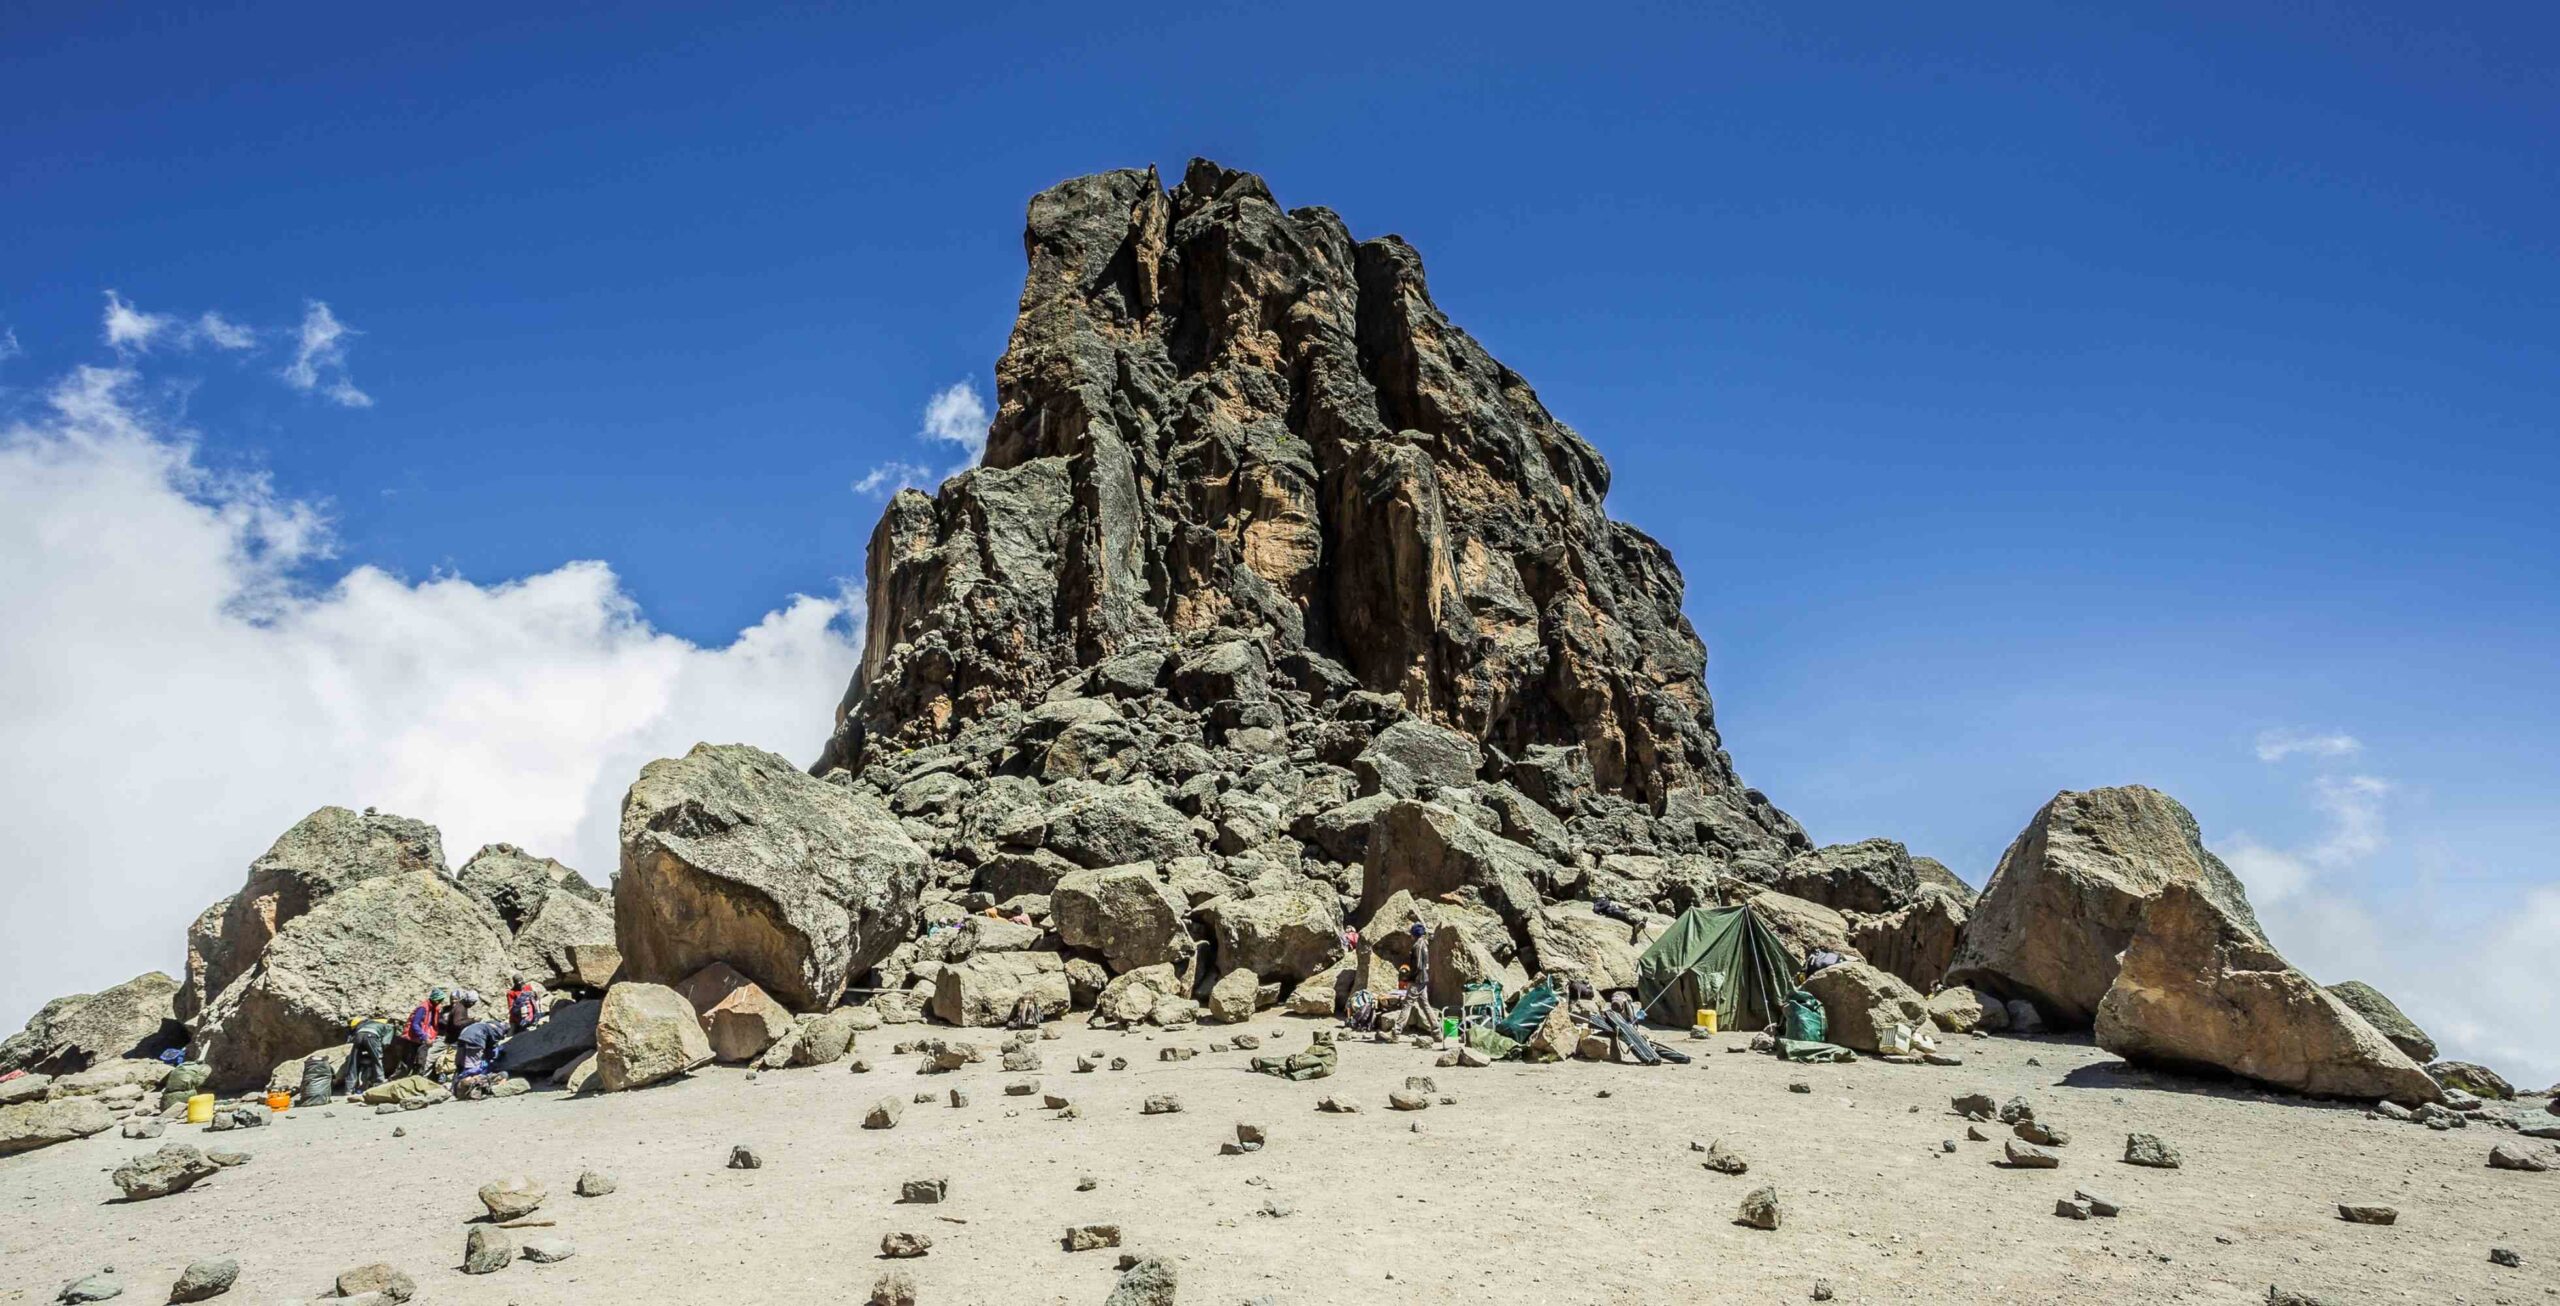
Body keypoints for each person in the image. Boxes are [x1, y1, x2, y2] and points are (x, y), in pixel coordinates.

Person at [452, 1017, 508, 1099]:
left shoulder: (483, 1025)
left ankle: (456, 1086)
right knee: (472, 1067)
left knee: (461, 1065)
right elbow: (491, 1048)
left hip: (462, 1038)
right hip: (475, 1041)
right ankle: (470, 1089)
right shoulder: (498, 1031)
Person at [342, 1015, 394, 1095]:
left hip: (359, 1036)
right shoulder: (389, 1025)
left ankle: (349, 1089)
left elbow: (353, 1036)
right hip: (372, 1036)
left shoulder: (367, 1022)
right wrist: (379, 1050)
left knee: (354, 1062)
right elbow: (386, 1042)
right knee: (377, 1060)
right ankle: (380, 1082)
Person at [400, 988, 446, 1078]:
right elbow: (415, 1025)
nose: (440, 1002)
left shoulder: (433, 1008)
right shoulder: (423, 1008)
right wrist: (425, 1037)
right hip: (413, 1039)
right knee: (406, 1066)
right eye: (440, 1000)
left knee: (421, 1064)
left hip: (422, 1040)